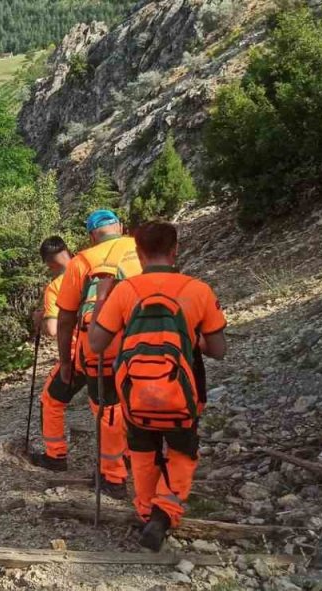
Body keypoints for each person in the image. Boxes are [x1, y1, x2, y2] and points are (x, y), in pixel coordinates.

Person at [88, 221, 227, 551]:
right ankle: (164, 513)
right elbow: (219, 350)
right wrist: (191, 337)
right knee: (181, 452)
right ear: (175, 249)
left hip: (135, 395)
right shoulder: (198, 290)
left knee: (143, 453)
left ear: (139, 252)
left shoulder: (125, 291)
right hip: (185, 391)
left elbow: (96, 344)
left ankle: (145, 512)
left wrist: (101, 303)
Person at [35, 210, 142, 501]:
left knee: (104, 409)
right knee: (130, 406)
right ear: (120, 226)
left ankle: (109, 475)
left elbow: (61, 323)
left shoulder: (83, 264)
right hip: (145, 343)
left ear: (91, 236)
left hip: (97, 350)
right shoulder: (142, 248)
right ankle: (136, 461)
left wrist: (67, 362)